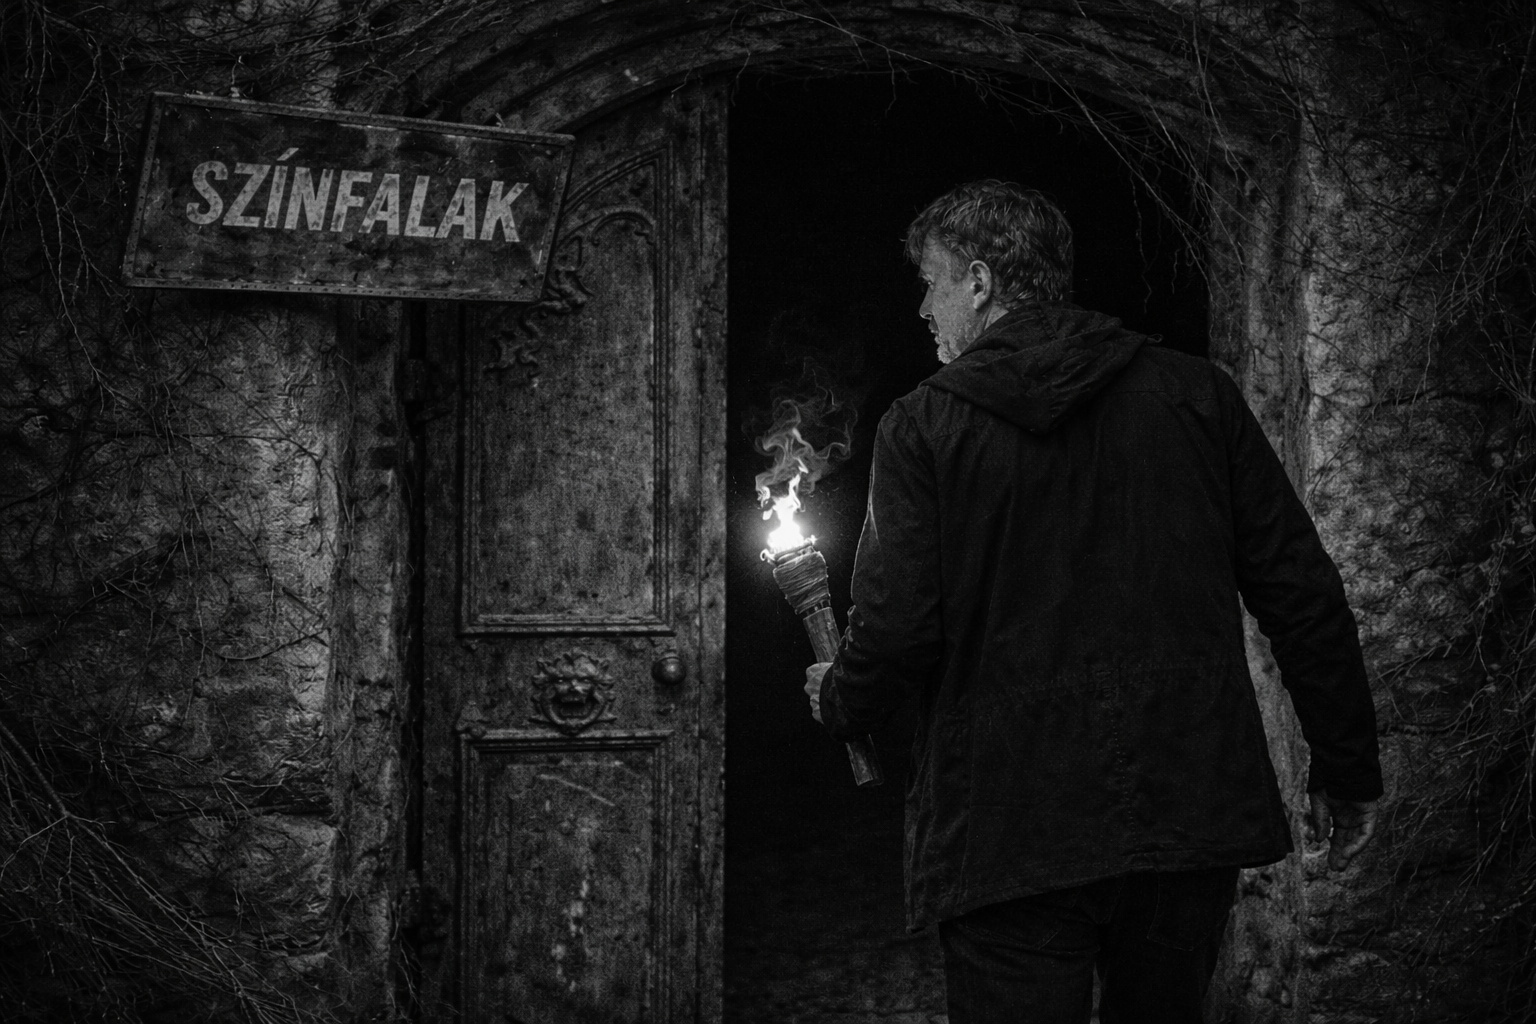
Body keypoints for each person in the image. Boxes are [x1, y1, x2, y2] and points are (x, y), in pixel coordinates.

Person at [803, 180, 1382, 1024]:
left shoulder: (923, 428)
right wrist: (1346, 765)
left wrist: (840, 698)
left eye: (930, 283)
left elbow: (896, 631)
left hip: (1008, 825)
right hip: (1183, 807)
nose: (923, 309)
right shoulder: (1197, 395)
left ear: (979, 280)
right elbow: (1301, 592)